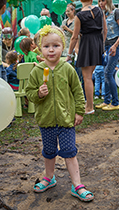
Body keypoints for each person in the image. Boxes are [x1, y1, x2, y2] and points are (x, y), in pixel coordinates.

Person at [25, 25, 94, 202]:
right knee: (49, 151)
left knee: (70, 152)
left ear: (63, 47)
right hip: (46, 120)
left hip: (66, 121)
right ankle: (49, 178)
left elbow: (78, 92)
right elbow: (29, 94)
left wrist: (79, 112)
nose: (51, 50)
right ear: (40, 48)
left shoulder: (68, 69)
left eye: (56, 45)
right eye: (47, 46)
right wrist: (38, 94)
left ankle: (77, 184)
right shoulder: (36, 71)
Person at [66, 0, 107, 115]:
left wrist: (69, 53)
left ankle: (89, 107)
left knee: (87, 77)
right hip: (97, 43)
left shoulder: (79, 15)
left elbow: (74, 37)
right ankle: (89, 104)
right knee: (90, 75)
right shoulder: (100, 11)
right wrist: (102, 44)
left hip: (87, 44)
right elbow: (104, 30)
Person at [96, 0, 119, 111]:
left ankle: (116, 103)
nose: (100, 3)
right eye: (99, 1)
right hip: (106, 47)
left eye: (103, 0)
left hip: (115, 46)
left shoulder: (116, 12)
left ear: (108, 0)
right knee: (106, 73)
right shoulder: (103, 14)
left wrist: (115, 45)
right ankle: (106, 101)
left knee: (108, 73)